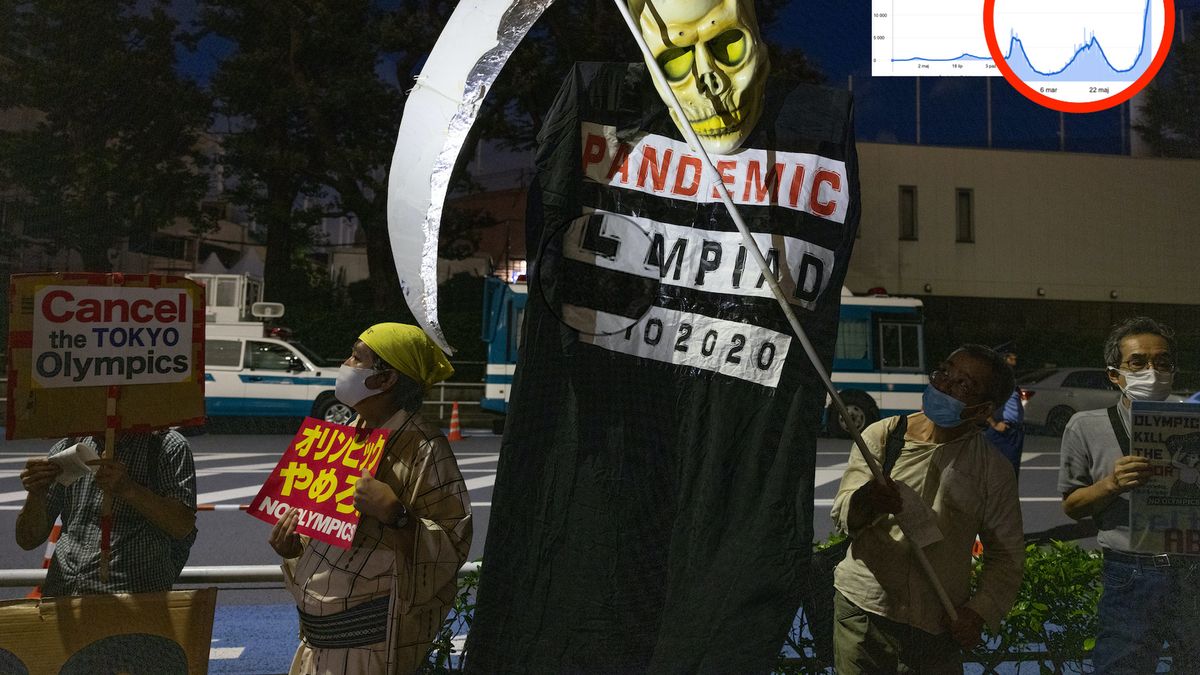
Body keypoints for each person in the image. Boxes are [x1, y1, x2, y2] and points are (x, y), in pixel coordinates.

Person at [269, 323, 472, 675]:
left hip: (368, 646)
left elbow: (452, 546)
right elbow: (321, 530)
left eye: (356, 357)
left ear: (386, 379)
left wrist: (396, 515)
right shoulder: (345, 433)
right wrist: (294, 548)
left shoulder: (425, 447)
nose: (346, 364)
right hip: (315, 642)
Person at [831, 344, 1024, 674]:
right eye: (944, 372)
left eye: (964, 384)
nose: (945, 385)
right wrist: (869, 500)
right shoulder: (883, 435)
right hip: (863, 611)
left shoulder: (993, 469)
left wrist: (978, 612)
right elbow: (843, 516)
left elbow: (1006, 557)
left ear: (982, 410)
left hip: (936, 625)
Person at [1058, 316, 1199, 673]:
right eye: (1138, 362)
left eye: (1162, 362)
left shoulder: (1193, 423)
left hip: (1191, 567)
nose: (1152, 371)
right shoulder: (1086, 425)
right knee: (1123, 667)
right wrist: (1111, 485)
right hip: (1130, 569)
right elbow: (1072, 506)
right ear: (1114, 374)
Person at [15, 430, 198, 595]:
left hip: (133, 598)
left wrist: (129, 489)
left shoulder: (167, 446)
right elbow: (28, 539)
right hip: (64, 592)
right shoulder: (68, 448)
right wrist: (36, 493)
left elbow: (182, 525)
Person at [985, 345, 1026, 479]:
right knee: (1004, 474)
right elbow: (986, 402)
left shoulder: (1008, 379)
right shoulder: (999, 380)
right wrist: (994, 424)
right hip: (1004, 432)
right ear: (1005, 359)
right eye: (1012, 356)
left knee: (1011, 473)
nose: (1015, 359)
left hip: (1013, 431)